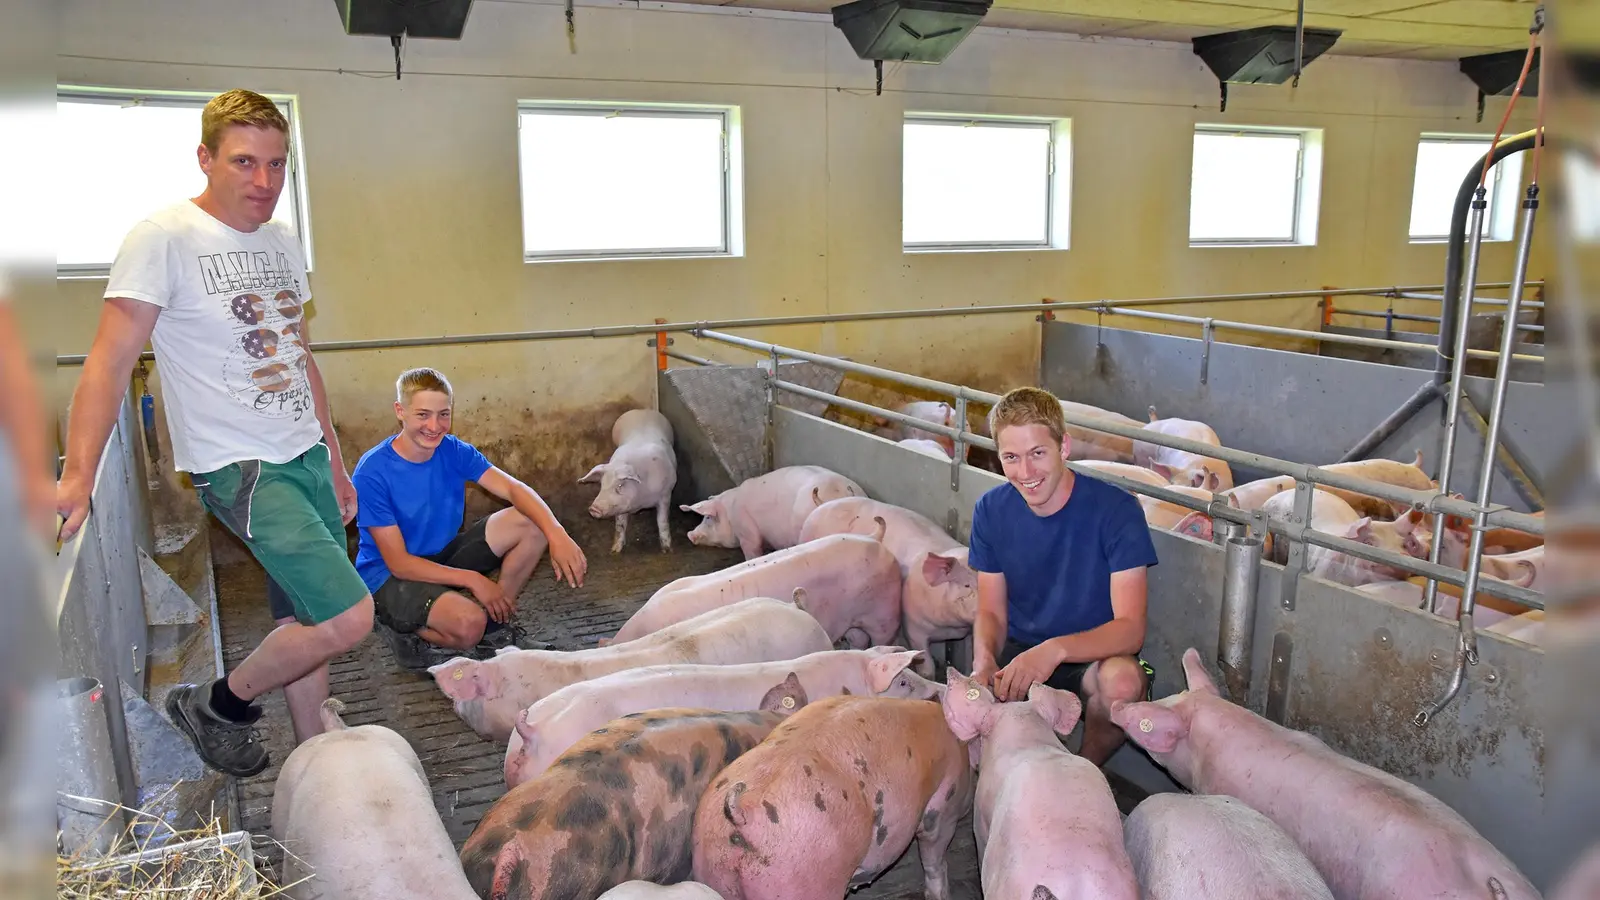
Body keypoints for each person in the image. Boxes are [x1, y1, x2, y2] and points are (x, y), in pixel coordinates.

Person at [56, 89, 370, 776]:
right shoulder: (162, 238)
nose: (264, 183)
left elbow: (297, 354)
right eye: (243, 162)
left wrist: (336, 461)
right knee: (351, 619)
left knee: (305, 618)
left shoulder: (284, 240)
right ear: (204, 157)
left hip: (306, 453)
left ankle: (315, 762)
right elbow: (110, 358)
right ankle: (217, 706)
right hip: (244, 466)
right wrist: (79, 472)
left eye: (277, 165)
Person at [968, 386, 1159, 766]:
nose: (1025, 473)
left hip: (1090, 656)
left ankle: (1082, 770)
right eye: (1011, 457)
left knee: (1123, 683)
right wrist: (984, 660)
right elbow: (991, 611)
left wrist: (1054, 650)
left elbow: (1130, 629)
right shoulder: (990, 510)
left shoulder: (1116, 511)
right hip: (1020, 654)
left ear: (1064, 447)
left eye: (1037, 453)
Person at [351, 367, 588, 670]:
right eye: (423, 415)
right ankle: (404, 631)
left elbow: (514, 489)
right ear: (401, 411)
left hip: (440, 556)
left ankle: (496, 628)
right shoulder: (373, 471)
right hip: (390, 575)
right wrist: (474, 580)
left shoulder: (453, 450)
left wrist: (556, 532)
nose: (435, 426)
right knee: (467, 626)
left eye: (443, 414)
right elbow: (399, 562)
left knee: (530, 523)